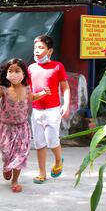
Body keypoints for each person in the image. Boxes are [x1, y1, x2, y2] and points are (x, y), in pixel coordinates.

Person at [0, 59, 50, 192]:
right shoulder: (4, 89)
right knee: (7, 153)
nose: (14, 74)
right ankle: (7, 164)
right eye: (10, 71)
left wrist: (43, 93)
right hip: (6, 128)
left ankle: (15, 181)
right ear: (6, 74)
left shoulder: (27, 89)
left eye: (17, 71)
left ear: (24, 74)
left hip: (22, 127)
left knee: (20, 156)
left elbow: (32, 98)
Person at [28, 35, 70, 184]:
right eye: (35, 48)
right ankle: (41, 173)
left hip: (52, 111)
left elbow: (65, 87)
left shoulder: (58, 66)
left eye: (41, 48)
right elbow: (28, 91)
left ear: (50, 51)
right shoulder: (30, 68)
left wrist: (66, 105)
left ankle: (58, 160)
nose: (37, 51)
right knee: (39, 143)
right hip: (36, 111)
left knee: (52, 141)